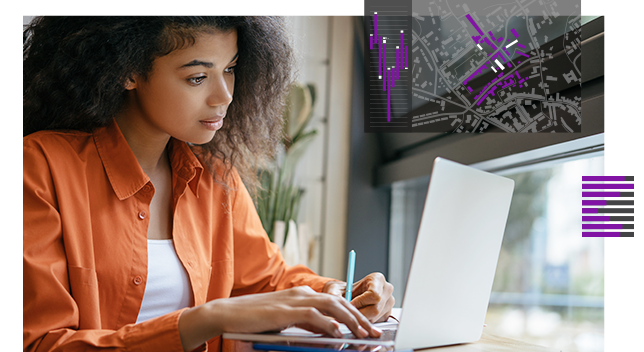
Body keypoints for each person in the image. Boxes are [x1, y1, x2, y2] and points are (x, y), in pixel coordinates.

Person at [23, 15, 394, 352]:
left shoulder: (217, 178)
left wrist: (339, 294)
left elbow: (268, 282)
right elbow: (39, 343)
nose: (224, 96)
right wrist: (210, 319)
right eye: (197, 77)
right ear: (129, 71)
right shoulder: (36, 167)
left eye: (230, 69)